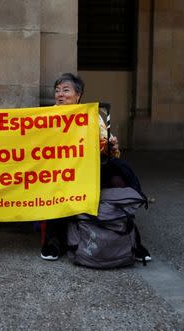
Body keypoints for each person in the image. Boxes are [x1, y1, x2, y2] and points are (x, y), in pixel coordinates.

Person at [40, 73, 146, 261]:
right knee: (56, 185)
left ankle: (132, 240)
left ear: (78, 95)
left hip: (90, 169)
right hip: (60, 170)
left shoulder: (92, 116)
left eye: (66, 90)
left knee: (119, 177)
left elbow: (107, 150)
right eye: (57, 91)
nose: (60, 95)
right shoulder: (45, 117)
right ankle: (53, 241)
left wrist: (112, 147)